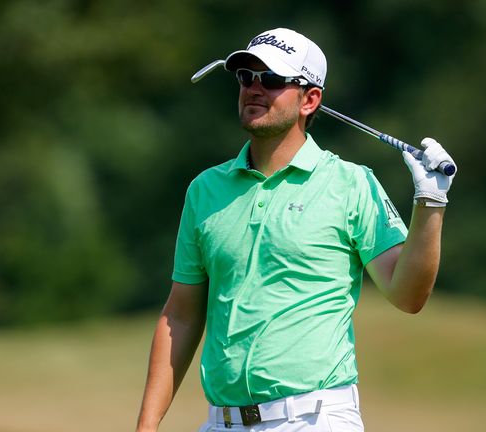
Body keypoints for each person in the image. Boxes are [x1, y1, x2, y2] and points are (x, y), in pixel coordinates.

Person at [136, 28, 455, 432]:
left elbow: (408, 295)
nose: (254, 88)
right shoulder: (205, 191)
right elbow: (179, 318)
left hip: (314, 419)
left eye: (271, 79)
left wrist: (430, 205)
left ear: (310, 100)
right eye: (246, 77)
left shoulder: (350, 183)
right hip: (223, 422)